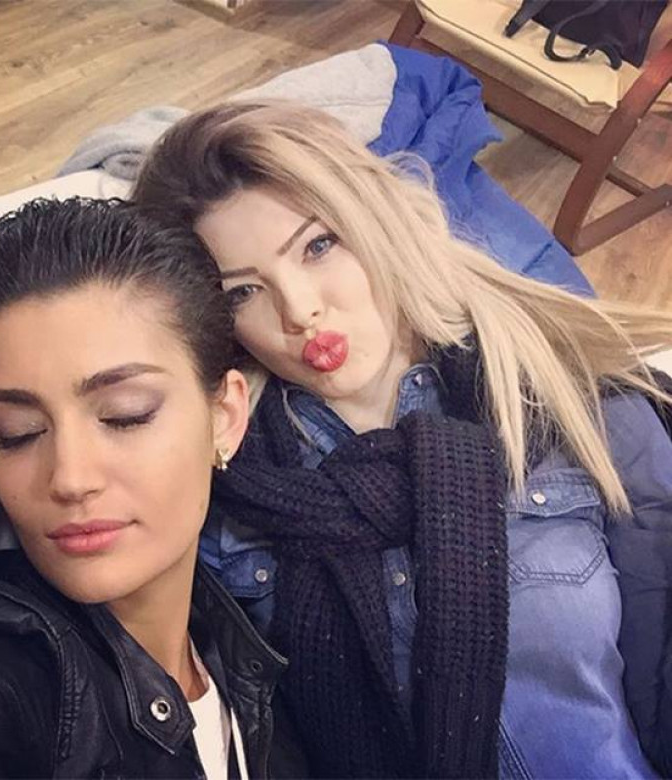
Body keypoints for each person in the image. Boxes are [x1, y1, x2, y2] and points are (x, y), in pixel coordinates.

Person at [132, 100, 672, 779]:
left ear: (372, 221)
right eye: (242, 293)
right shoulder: (229, 489)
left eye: (318, 246)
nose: (300, 310)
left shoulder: (566, 398)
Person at [0, 197, 307, 779]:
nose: (70, 478)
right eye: (18, 433)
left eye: (124, 415)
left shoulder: (252, 658)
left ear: (224, 417)